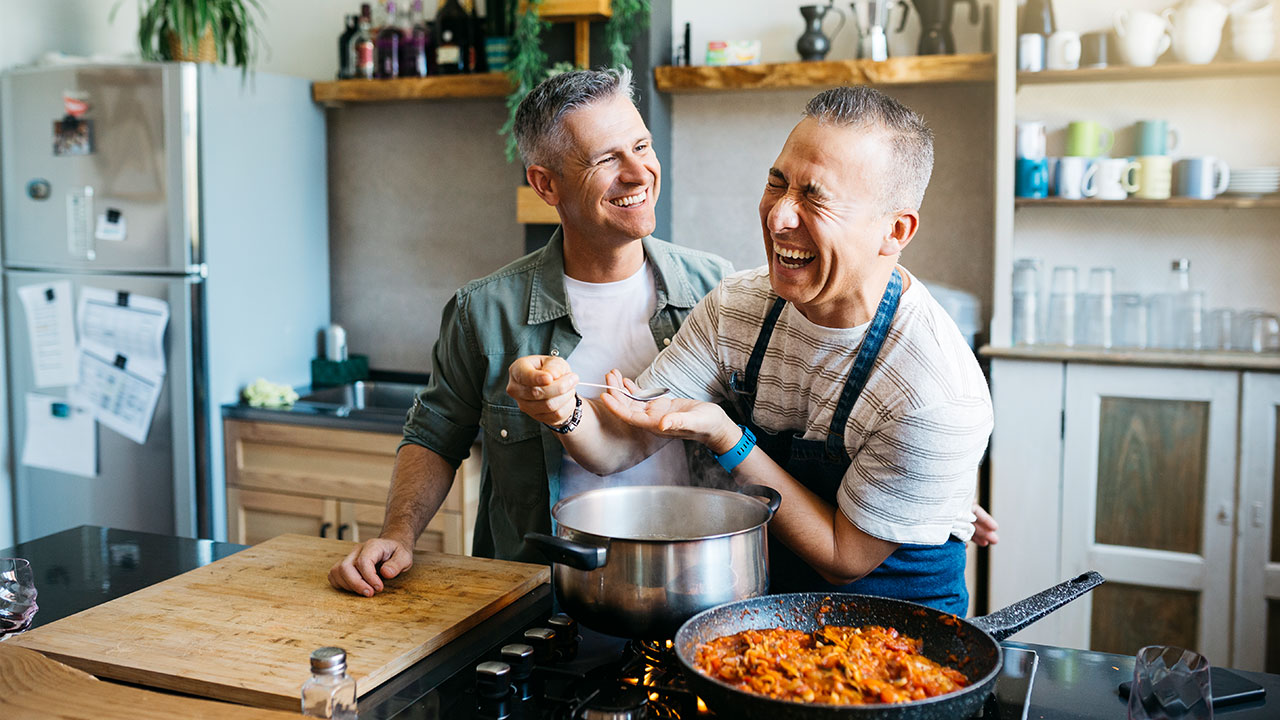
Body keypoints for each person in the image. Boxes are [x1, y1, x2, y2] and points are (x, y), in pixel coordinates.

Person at [507, 85, 995, 615]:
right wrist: (563, 411)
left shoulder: (935, 391)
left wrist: (728, 439)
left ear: (894, 230)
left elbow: (842, 556)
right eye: (776, 182)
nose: (779, 216)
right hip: (764, 618)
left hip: (894, 638)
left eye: (815, 196)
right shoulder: (737, 308)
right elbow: (620, 444)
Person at [327, 67, 733, 596]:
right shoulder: (484, 311)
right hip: (542, 603)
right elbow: (433, 435)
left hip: (695, 593)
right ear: (546, 183)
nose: (639, 173)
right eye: (608, 159)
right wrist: (398, 535)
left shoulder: (720, 290)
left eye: (642, 145)